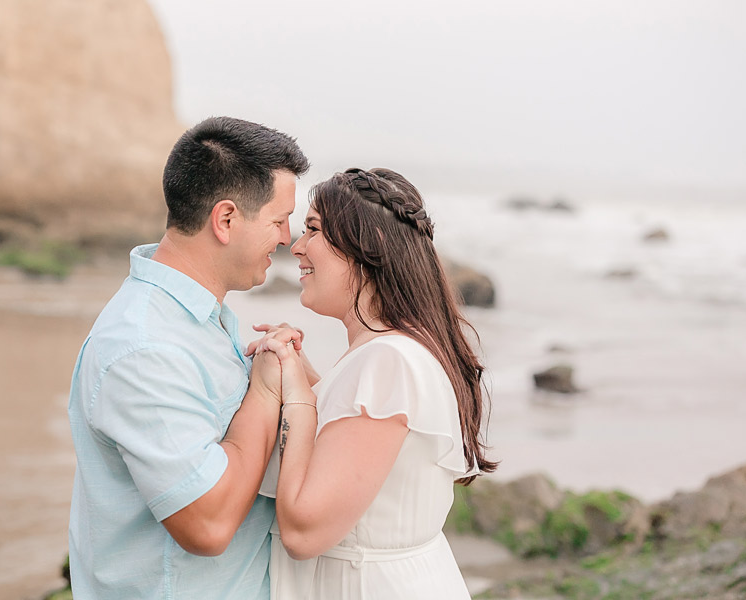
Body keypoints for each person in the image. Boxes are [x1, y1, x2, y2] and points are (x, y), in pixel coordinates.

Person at [67, 116, 309, 599]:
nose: (288, 239)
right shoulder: (145, 346)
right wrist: (263, 393)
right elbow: (208, 523)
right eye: (279, 220)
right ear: (225, 219)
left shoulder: (197, 318)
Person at [249, 168, 497, 599]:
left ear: (369, 248)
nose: (296, 245)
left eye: (313, 230)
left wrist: (295, 400)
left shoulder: (388, 362)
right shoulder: (390, 354)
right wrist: (304, 376)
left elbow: (304, 532)